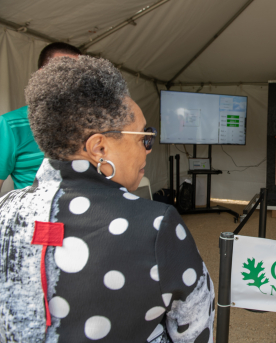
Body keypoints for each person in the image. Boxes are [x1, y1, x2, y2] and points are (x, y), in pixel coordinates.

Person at [0, 56, 214, 342]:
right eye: (144, 138)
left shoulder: (5, 210)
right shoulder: (156, 226)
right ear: (99, 147)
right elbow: (196, 330)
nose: (148, 150)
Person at [0, 42, 81, 192]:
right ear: (41, 75)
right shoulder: (10, 125)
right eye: (63, 71)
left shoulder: (93, 123)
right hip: (37, 213)